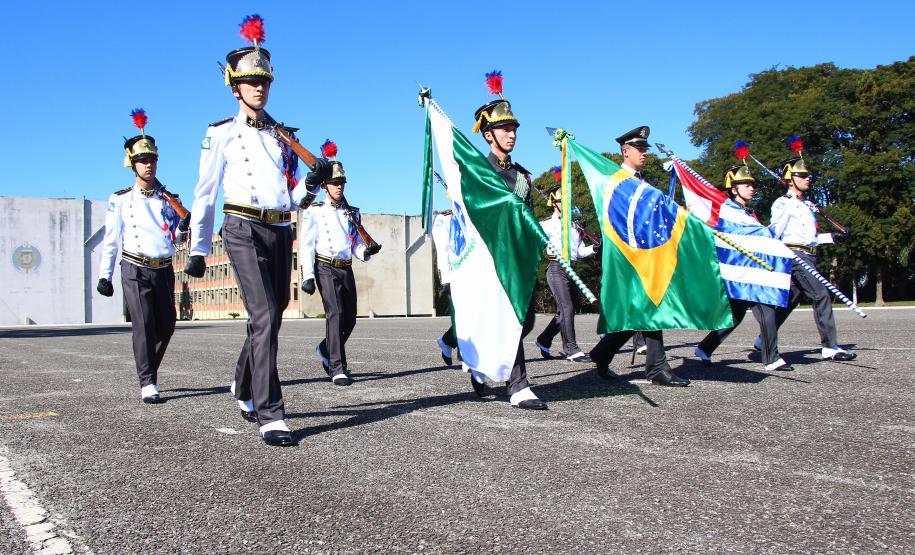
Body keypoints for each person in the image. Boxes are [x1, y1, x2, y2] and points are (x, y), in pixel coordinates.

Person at [185, 16, 330, 447]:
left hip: (280, 228)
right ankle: (271, 412)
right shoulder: (220, 134)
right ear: (234, 86)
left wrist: (311, 181)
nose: (259, 88)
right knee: (264, 313)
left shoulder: (284, 137)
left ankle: (243, 383)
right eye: (250, 81)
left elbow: (289, 194)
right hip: (241, 227)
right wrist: (196, 246)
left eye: (264, 81)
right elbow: (204, 192)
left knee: (271, 315)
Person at [97, 109, 188, 404]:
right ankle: (147, 381)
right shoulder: (120, 199)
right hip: (134, 267)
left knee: (167, 325)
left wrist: (185, 227)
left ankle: (148, 368)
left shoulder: (169, 198)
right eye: (142, 161)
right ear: (132, 165)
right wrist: (104, 275)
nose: (148, 165)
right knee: (145, 323)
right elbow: (111, 239)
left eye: (151, 160)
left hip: (163, 267)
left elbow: (176, 237)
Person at [588, 126, 690, 386]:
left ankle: (602, 353)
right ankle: (656, 368)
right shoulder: (618, 180)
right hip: (625, 255)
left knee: (641, 311)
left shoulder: (643, 183)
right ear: (625, 151)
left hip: (647, 254)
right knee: (648, 307)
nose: (644, 152)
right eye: (639, 148)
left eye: (645, 148)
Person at [469, 75, 547, 410]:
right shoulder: (476, 173)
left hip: (519, 258)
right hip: (490, 259)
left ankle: (482, 361)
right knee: (511, 318)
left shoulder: (523, 176)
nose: (511, 134)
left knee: (525, 320)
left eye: (513, 128)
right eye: (504, 129)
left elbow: (527, 216)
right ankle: (518, 386)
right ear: (488, 134)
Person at [693, 163, 793, 372]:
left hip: (751, 271)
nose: (751, 188)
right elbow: (749, 234)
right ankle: (771, 358)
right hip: (741, 272)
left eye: (752, 184)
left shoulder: (748, 213)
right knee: (766, 312)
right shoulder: (728, 210)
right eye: (745, 184)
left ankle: (704, 348)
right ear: (733, 188)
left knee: (735, 317)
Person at [766, 140, 856, 361]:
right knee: (821, 294)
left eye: (808, 176)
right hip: (795, 255)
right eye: (803, 176)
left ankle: (764, 338)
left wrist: (832, 237)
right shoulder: (782, 203)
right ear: (790, 179)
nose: (808, 179)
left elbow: (810, 238)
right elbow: (775, 232)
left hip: (809, 254)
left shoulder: (807, 205)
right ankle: (830, 347)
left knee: (792, 299)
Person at [299, 141, 373, 386]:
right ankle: (337, 367)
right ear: (324, 186)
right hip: (324, 266)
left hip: (346, 266)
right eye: (334, 183)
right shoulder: (315, 211)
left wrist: (366, 250)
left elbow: (354, 242)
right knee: (336, 313)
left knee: (350, 318)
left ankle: (325, 348)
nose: (339, 187)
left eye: (341, 183)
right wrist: (307, 276)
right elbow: (307, 245)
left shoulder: (352, 212)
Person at [534, 179, 597, 362]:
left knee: (569, 308)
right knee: (567, 307)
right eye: (562, 201)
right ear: (554, 203)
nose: (566, 204)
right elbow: (534, 243)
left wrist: (594, 248)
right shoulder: (546, 224)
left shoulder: (575, 225)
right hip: (556, 268)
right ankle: (571, 349)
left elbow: (579, 252)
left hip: (572, 269)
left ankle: (544, 339)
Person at [431, 209, 458, 366]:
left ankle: (447, 341)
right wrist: (446, 278)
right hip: (455, 275)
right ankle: (468, 359)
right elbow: (443, 250)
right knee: (462, 319)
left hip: (476, 273)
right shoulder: (445, 218)